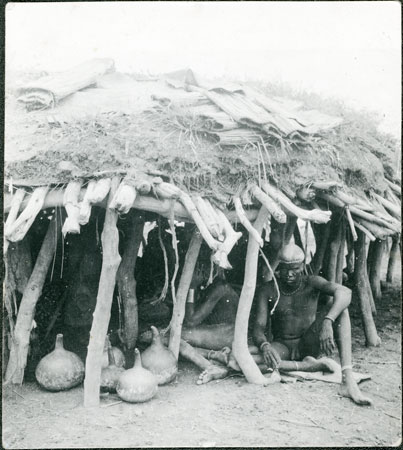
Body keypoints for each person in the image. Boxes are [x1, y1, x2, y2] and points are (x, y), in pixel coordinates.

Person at [197, 243, 372, 406]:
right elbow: (258, 328)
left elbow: (345, 292)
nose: (289, 274)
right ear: (279, 268)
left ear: (302, 266)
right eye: (285, 269)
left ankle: (347, 380)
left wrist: (328, 321)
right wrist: (265, 346)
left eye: (295, 269)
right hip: (283, 347)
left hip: (309, 342)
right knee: (244, 358)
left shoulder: (312, 282)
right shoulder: (268, 289)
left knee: (342, 310)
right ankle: (312, 366)